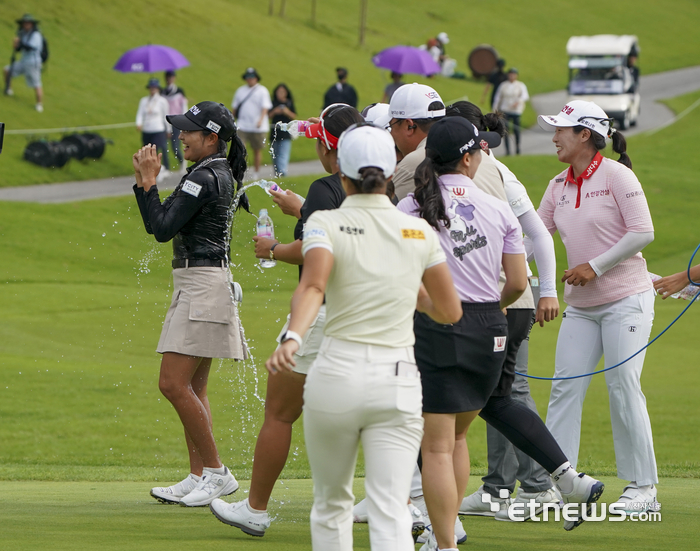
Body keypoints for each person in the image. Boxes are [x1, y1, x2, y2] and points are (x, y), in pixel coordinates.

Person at [400, 117, 606, 546]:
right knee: (456, 437)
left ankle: (445, 540)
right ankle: (448, 532)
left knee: (436, 446)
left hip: (437, 326)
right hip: (491, 325)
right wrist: (485, 311)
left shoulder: (412, 206)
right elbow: (515, 283)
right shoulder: (496, 208)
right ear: (471, 157)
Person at [264, 122, 462, 551]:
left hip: (335, 376)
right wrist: (417, 296)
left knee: (332, 505)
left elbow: (313, 286)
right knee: (391, 508)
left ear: (342, 174)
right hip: (396, 383)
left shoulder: (325, 223)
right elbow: (449, 311)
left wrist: (293, 338)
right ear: (390, 174)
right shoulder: (418, 231)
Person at [208, 104, 365, 537]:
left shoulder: (324, 187)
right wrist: (301, 211)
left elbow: (321, 252)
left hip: (325, 314)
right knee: (380, 420)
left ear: (325, 145)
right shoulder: (384, 189)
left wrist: (273, 249)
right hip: (375, 316)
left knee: (278, 414)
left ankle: (255, 508)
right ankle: (420, 513)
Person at [537, 100, 659, 513]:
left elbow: (643, 232)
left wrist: (595, 265)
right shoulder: (557, 184)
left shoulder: (617, 175)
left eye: (561, 130)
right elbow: (534, 238)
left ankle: (643, 486)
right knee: (565, 387)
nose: (554, 137)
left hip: (627, 299)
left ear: (584, 135)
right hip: (582, 306)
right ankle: (559, 483)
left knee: (623, 386)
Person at [445, 102, 561, 521]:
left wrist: (543, 287)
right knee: (491, 393)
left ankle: (538, 486)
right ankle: (497, 487)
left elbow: (536, 236)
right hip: (497, 293)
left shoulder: (493, 172)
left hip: (507, 297)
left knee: (509, 391)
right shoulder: (467, 173)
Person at [133, 101, 248, 508]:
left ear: (211, 138)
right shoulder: (210, 172)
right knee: (195, 387)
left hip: (202, 284)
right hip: (200, 282)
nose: (180, 136)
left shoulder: (206, 176)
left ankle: (216, 472)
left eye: (189, 130)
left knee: (172, 383)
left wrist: (148, 182)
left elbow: (161, 228)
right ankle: (198, 474)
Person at [388, 83, 446, 201]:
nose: (391, 133)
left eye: (391, 125)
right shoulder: (474, 150)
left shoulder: (414, 162)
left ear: (409, 126)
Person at [231, 67, 272, 180]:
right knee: (241, 149)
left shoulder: (262, 90)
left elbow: (265, 108)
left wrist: (260, 120)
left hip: (257, 127)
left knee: (257, 150)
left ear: (256, 78)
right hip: (243, 125)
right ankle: (242, 172)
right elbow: (235, 107)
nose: (250, 80)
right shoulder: (240, 90)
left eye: (252, 77)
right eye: (248, 78)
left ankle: (256, 172)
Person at [3, 14, 44, 112]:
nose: (26, 24)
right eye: (24, 23)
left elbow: (31, 47)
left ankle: (39, 104)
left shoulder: (36, 35)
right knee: (6, 70)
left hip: (33, 63)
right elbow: (19, 49)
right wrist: (16, 45)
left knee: (36, 84)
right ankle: (8, 89)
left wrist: (20, 43)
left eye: (28, 23)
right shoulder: (23, 34)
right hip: (23, 61)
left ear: (32, 24)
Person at [136, 78, 171, 181]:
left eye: (154, 88)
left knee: (157, 150)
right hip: (147, 129)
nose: (152, 90)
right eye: (151, 88)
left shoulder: (162, 101)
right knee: (147, 151)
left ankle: (161, 169)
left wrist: (168, 129)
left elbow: (166, 115)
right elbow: (140, 113)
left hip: (158, 128)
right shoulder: (144, 100)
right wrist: (139, 123)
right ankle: (148, 170)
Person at [493, 68, 529, 155]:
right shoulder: (503, 85)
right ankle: (507, 150)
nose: (512, 76)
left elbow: (525, 96)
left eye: (513, 74)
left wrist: (519, 101)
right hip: (505, 109)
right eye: (510, 74)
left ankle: (517, 147)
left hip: (516, 111)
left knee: (516, 130)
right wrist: (495, 109)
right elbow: (498, 97)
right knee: (505, 130)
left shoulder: (520, 85)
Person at [268, 83, 297, 177]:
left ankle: (282, 173)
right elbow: (268, 116)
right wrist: (275, 111)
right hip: (275, 132)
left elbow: (294, 116)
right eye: (279, 92)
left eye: (282, 92)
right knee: (275, 155)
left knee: (283, 154)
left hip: (286, 133)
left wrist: (286, 111)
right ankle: (278, 174)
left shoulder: (289, 103)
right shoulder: (272, 103)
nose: (280, 94)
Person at [162, 70, 188, 173]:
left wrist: (184, 121)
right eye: (167, 77)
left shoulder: (179, 91)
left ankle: (182, 161)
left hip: (176, 121)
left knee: (175, 146)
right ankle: (166, 167)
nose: (169, 79)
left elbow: (183, 107)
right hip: (166, 122)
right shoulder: (163, 92)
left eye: (171, 77)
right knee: (163, 146)